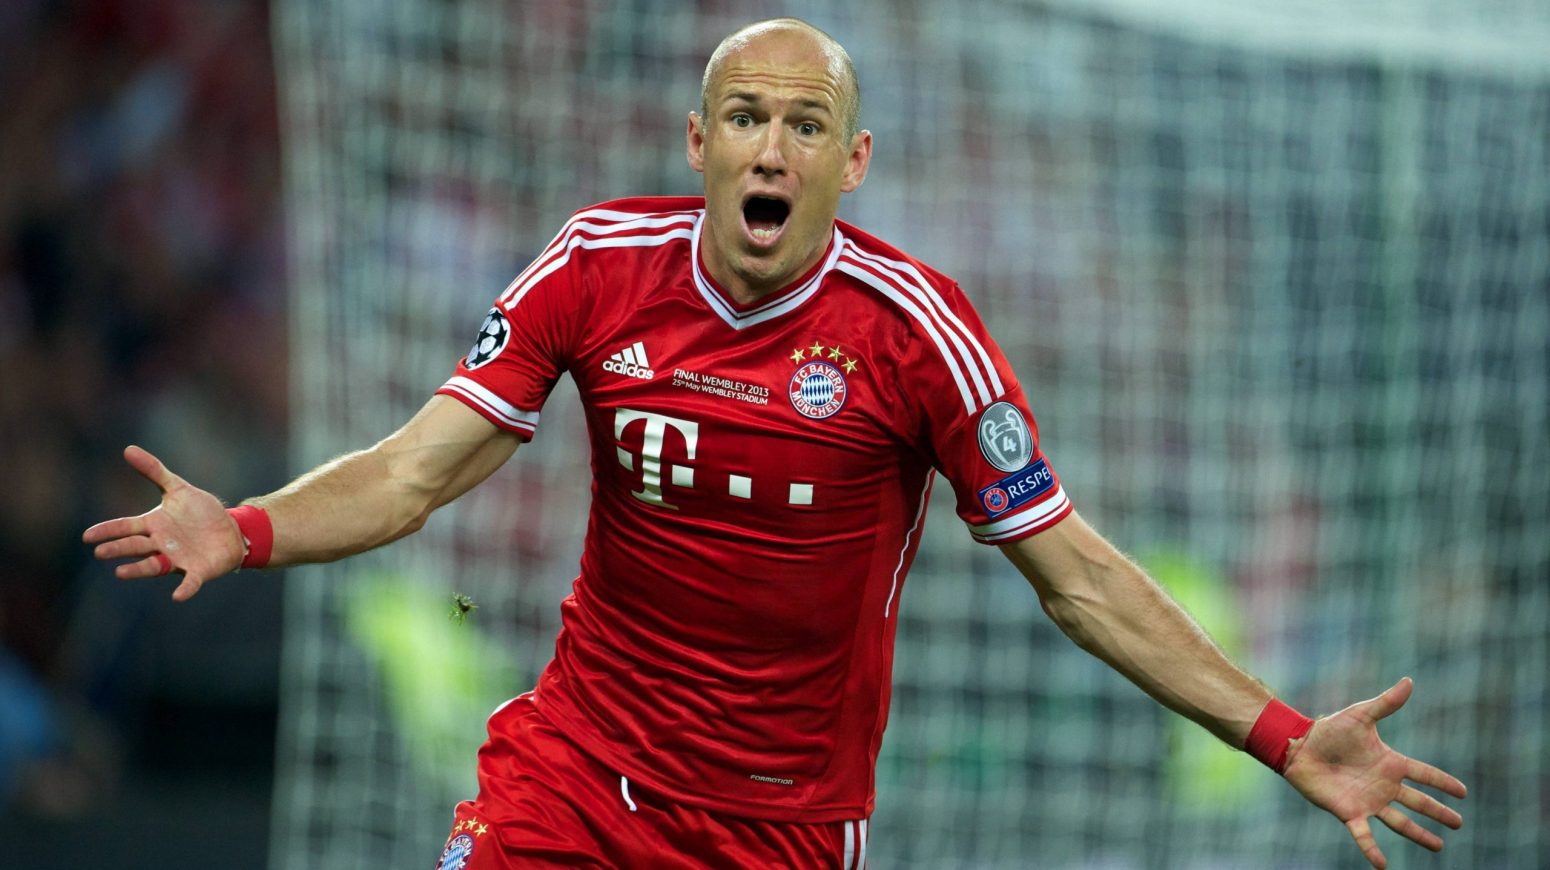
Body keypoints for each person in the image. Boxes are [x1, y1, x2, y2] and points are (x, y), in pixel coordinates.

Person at [85, 18, 1465, 870]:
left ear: (849, 163)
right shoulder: (592, 269)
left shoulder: (916, 332)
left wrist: (1284, 737)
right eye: (747, 117)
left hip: (781, 829)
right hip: (569, 771)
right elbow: (409, 472)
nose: (772, 146)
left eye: (807, 125)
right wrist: (246, 526)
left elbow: (1079, 577)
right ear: (699, 140)